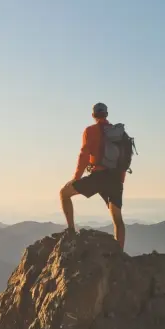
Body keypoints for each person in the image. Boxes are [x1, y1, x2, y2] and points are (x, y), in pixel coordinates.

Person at [60, 102, 126, 249]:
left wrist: (75, 179)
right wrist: (120, 181)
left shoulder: (90, 131)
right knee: (117, 219)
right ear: (107, 115)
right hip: (115, 179)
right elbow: (124, 160)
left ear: (93, 115)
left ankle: (71, 230)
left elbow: (84, 156)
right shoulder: (118, 134)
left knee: (64, 194)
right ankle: (119, 254)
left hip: (98, 177)